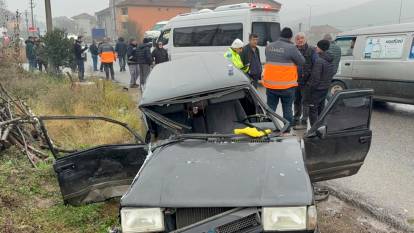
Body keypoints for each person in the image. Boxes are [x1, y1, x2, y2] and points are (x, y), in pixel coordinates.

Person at [263, 27, 305, 130]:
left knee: (271, 109)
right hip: (287, 86)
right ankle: (286, 130)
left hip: (271, 86)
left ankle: (269, 128)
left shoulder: (269, 47)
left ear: (280, 35)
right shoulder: (291, 48)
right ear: (290, 37)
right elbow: (302, 61)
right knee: (287, 109)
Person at [308, 40, 335, 126]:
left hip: (317, 89)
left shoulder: (320, 61)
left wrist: (310, 89)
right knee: (321, 109)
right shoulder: (330, 59)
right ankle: (321, 128)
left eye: (317, 46)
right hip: (325, 88)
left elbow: (315, 78)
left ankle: (313, 131)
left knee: (313, 110)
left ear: (321, 48)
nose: (316, 47)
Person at [293, 32, 317, 129]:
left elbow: (316, 65)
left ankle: (304, 119)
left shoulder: (311, 50)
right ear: (295, 40)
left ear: (305, 39)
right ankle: (296, 117)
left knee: (305, 102)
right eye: (298, 38)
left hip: (307, 81)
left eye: (302, 38)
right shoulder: (293, 50)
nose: (300, 40)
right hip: (294, 80)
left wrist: (311, 80)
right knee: (296, 100)